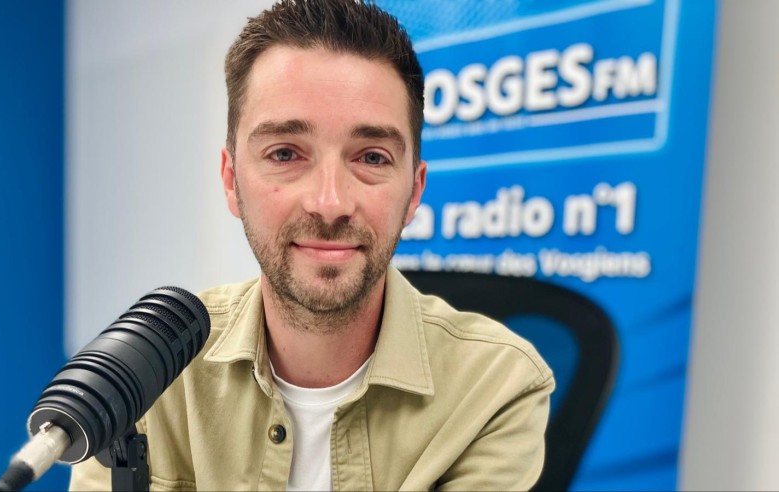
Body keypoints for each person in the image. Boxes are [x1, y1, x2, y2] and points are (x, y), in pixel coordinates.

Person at [70, 0, 554, 490]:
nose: (329, 203)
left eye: (371, 157)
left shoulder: (496, 387)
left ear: (414, 191)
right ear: (232, 180)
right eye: (285, 153)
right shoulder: (149, 375)